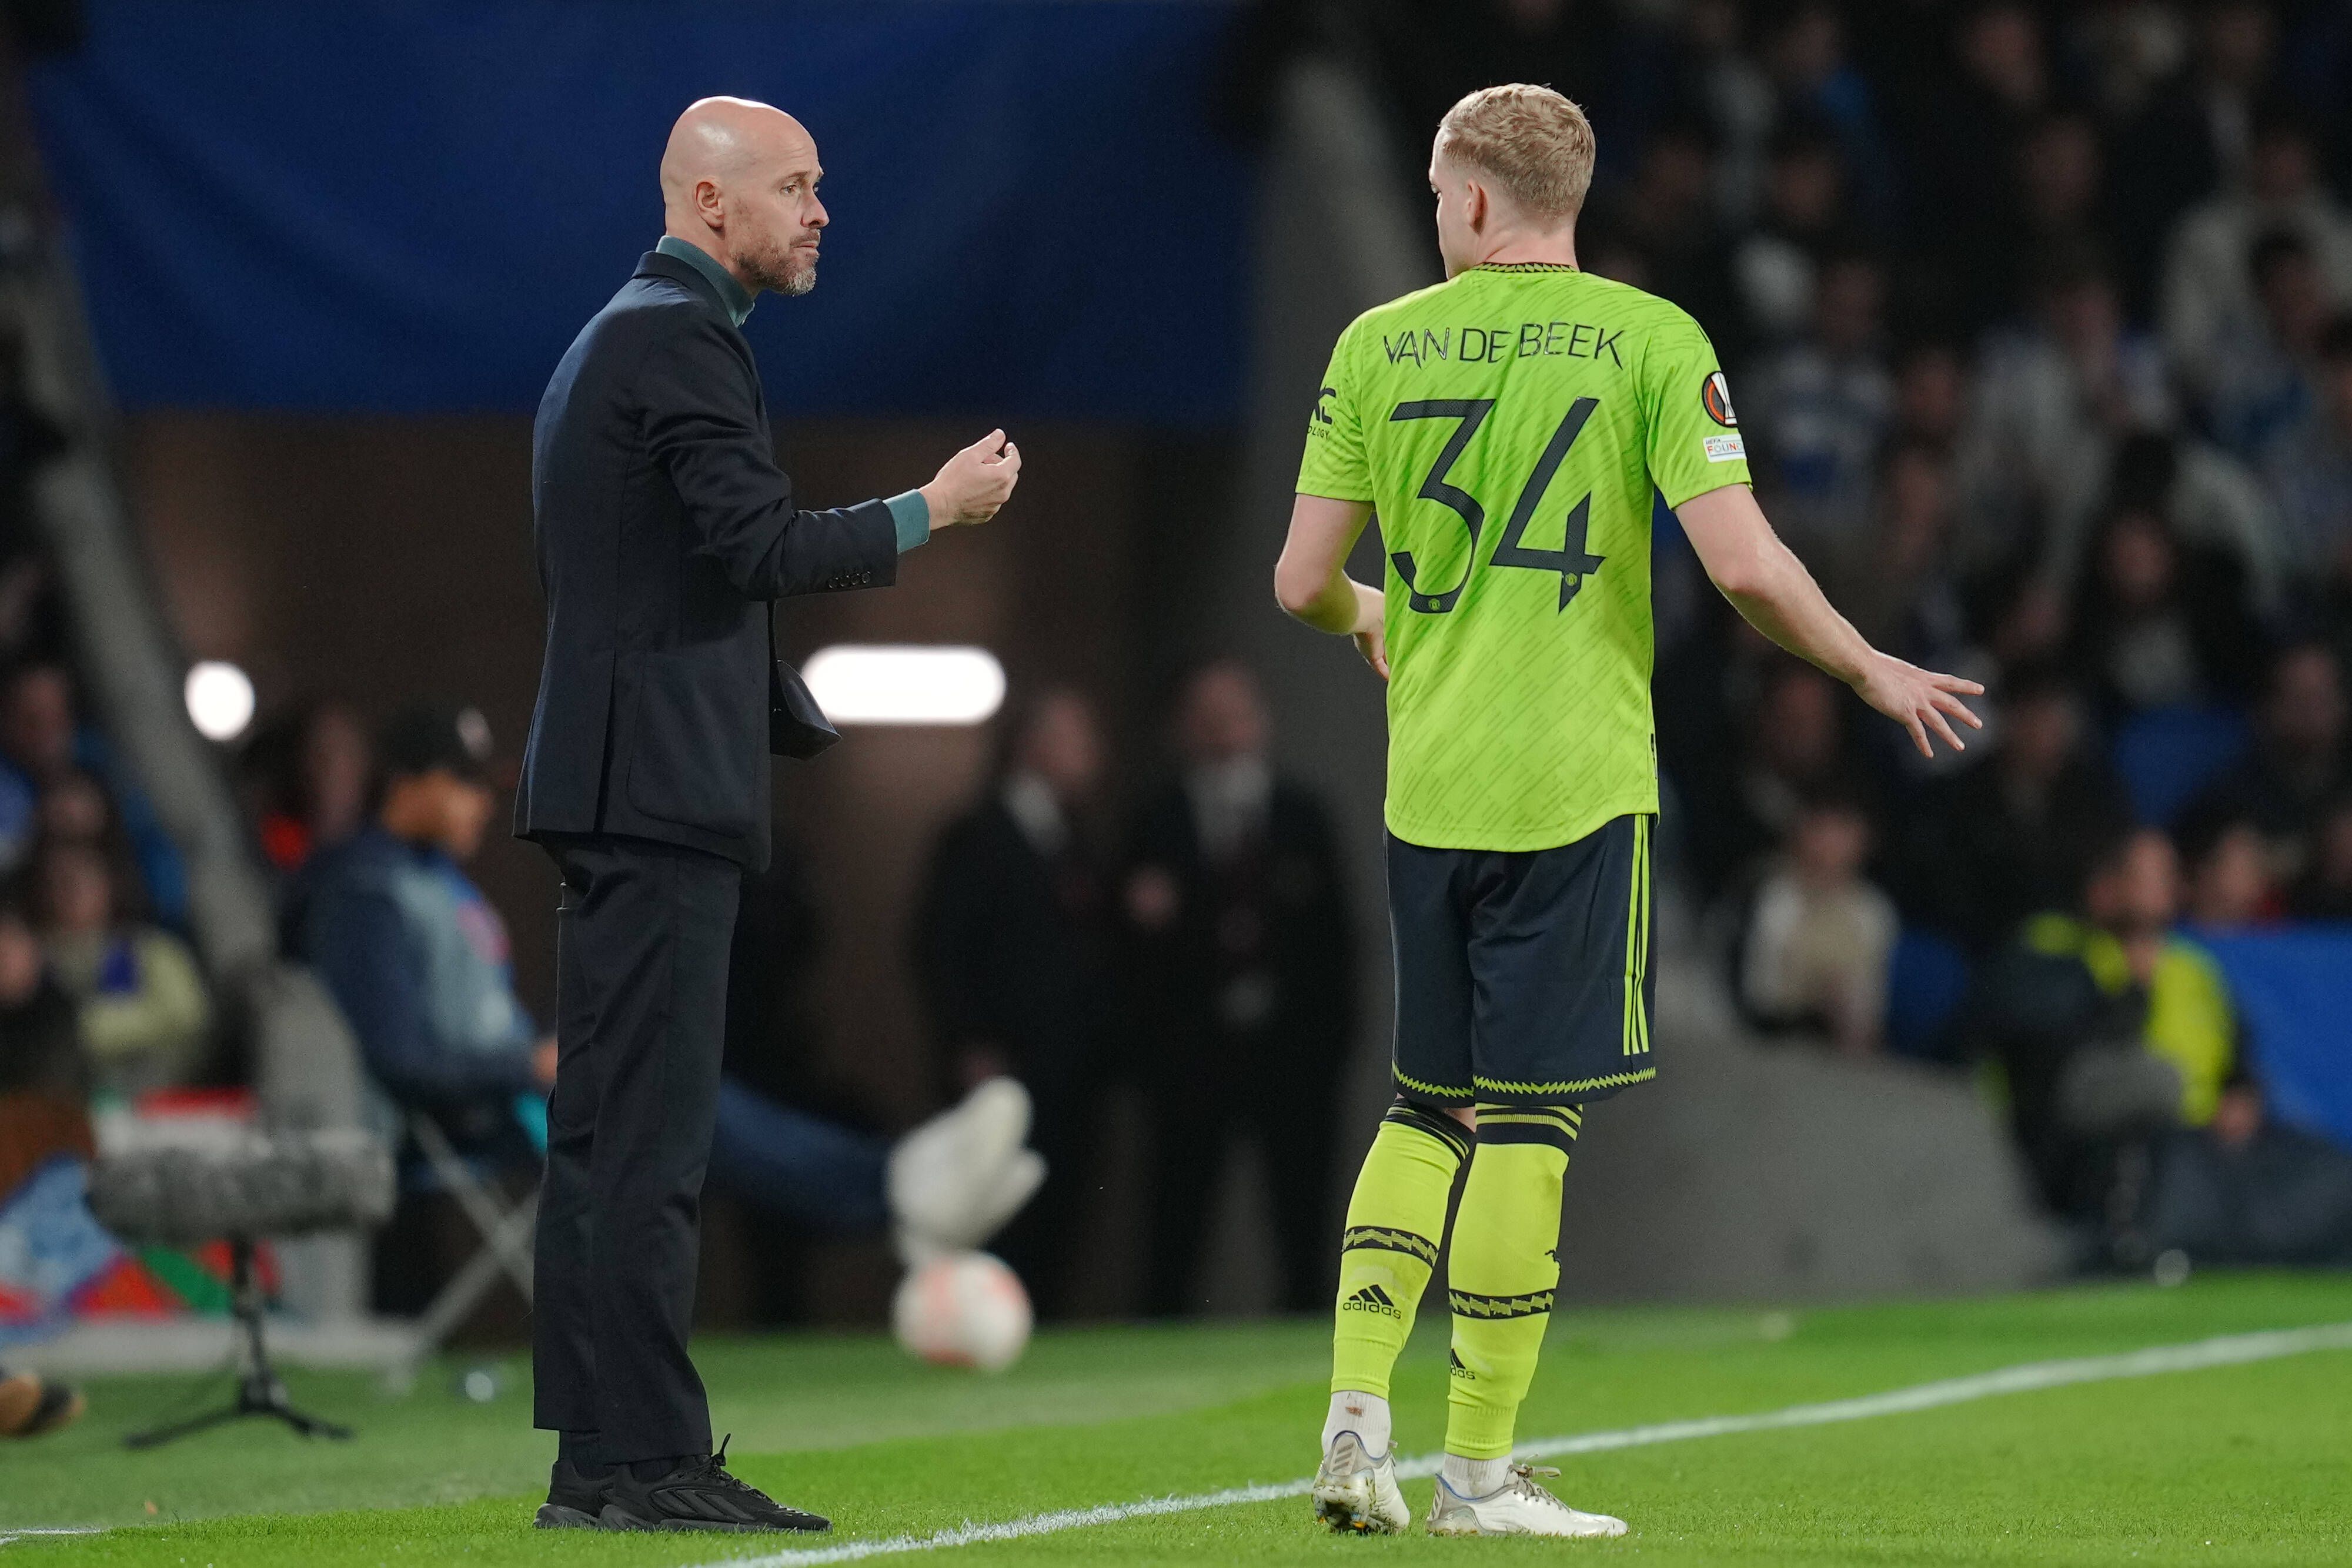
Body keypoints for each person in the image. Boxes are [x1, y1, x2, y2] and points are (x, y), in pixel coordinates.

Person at [1275, 83, 1980, 1538]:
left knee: (1424, 1108)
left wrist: (1372, 613)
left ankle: (1354, 1427)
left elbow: (1296, 585)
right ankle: (1475, 1473)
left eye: (1433, 194)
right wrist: (1859, 663)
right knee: (1527, 1128)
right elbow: (1740, 567)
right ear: (1566, 197)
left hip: (1432, 787)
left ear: (1471, 200)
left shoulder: (1373, 343)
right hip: (1574, 787)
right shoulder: (1650, 342)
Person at [512, 96, 1021, 1534]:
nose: (818, 214)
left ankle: (608, 1461)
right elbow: (755, 547)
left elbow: (653, 577)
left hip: (627, 784)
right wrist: (934, 512)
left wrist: (774, 710)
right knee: (650, 1149)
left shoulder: (623, 335)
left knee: (615, 1144)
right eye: (794, 189)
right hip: (652, 799)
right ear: (707, 199)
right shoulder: (676, 338)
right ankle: (644, 1464)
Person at [290, 707, 1041, 1310]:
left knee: (673, 1073)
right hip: (465, 1118)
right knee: (671, 1098)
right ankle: (898, 1190)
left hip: (513, 1092)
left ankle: (898, 1183)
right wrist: (523, 1063)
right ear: (407, 785)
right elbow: (400, 1055)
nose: (485, 802)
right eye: (462, 783)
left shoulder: (432, 880)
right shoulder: (364, 895)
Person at [1122, 661, 1354, 1316]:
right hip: (1190, 1055)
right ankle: (1159, 1345)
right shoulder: (1157, 822)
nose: (1224, 730)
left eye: (1236, 713)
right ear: (1181, 730)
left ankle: (1311, 1344)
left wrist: (1333, 1047)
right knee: (1176, 1215)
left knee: (1302, 1214)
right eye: (1207, 716)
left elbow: (1338, 944)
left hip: (1292, 1052)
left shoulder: (1303, 817)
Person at [914, 688, 1116, 1319]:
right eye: (1074, 738)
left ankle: (1038, 1332)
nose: (1091, 755)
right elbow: (938, 946)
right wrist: (969, 1041)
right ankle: (968, 1326)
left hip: (1069, 1067)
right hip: (1000, 1066)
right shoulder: (976, 835)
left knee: (1060, 1214)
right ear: (1030, 745)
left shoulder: (1077, 840)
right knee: (992, 1210)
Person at [1960, 829, 2253, 1252]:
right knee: (2152, 1083)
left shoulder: (2193, 966)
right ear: (2104, 886)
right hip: (2073, 1138)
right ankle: (2125, 1234)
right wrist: (2136, 988)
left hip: (2200, 1138)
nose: (2162, 889)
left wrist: (2242, 1093)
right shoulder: (2056, 945)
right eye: (2146, 877)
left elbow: (2238, 1050)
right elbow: (2063, 1052)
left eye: (2167, 877)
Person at [33, 838, 208, 1101]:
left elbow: (190, 1016)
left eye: (78, 883)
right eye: (56, 885)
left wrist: (98, 1026)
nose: (69, 895)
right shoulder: (31, 959)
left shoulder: (153, 951)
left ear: (108, 886)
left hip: (157, 1100)